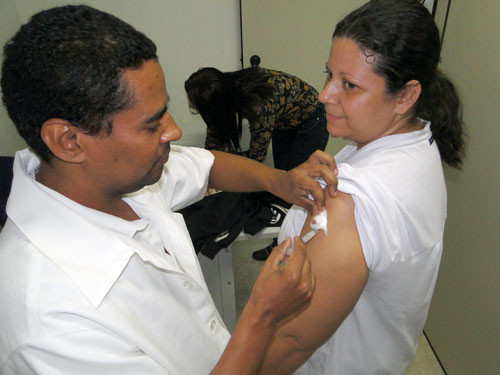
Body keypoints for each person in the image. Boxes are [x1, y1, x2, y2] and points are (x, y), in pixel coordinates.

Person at [0, 5, 339, 374]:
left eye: (166, 110)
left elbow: (210, 165)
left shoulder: (117, 178)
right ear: (69, 141)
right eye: (151, 124)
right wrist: (261, 316)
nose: (174, 131)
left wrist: (277, 181)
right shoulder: (52, 325)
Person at [255, 0, 467, 374]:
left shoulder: (349, 202)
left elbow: (291, 341)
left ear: (405, 96)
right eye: (329, 75)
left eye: (349, 85)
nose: (325, 94)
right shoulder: (418, 139)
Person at [185, 66, 329, 261]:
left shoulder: (257, 103)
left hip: (311, 120)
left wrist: (225, 178)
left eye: (196, 110)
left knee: (297, 187)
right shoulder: (223, 89)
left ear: (215, 104)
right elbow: (214, 137)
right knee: (285, 182)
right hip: (285, 121)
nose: (193, 111)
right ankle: (283, 241)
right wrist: (206, 168)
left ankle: (294, 248)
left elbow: (256, 156)